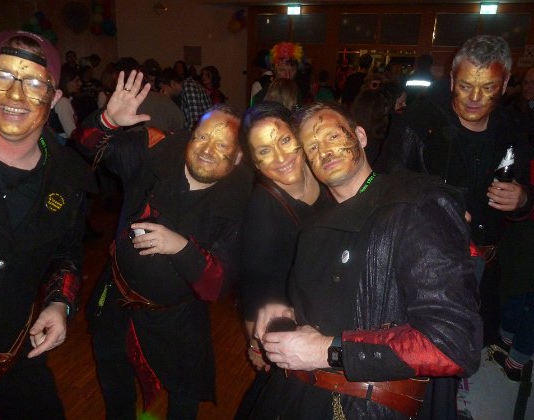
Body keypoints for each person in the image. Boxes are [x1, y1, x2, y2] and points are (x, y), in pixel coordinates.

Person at [249, 101, 482, 419]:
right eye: (312, 147)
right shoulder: (314, 226)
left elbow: (452, 343)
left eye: (332, 136)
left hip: (365, 406)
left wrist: (327, 350)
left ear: (360, 136)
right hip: (295, 395)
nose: (324, 151)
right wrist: (286, 312)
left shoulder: (415, 205)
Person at [74, 70, 252, 419]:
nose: (207, 150)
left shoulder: (242, 202)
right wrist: (109, 121)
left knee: (183, 391)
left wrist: (181, 248)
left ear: (237, 158)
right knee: (113, 377)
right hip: (116, 297)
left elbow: (217, 285)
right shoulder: (154, 147)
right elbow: (84, 145)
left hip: (177, 319)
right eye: (202, 137)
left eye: (222, 145)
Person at [378, 35, 534, 346]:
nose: (474, 97)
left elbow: (525, 190)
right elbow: (384, 187)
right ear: (452, 80)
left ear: (504, 85)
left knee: (473, 348)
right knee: (427, 352)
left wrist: (523, 199)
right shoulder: (419, 123)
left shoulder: (513, 128)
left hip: (486, 268)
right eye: (465, 85)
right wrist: (436, 207)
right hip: (427, 269)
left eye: (488, 87)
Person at [0, 30, 94, 418]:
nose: (15, 96)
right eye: (3, 76)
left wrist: (60, 302)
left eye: (35, 84)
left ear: (55, 97)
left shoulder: (69, 175)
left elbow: (67, 252)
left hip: (9, 361)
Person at [234, 101, 333, 418]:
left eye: (285, 140)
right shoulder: (262, 210)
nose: (280, 158)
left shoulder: (322, 168)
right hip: (294, 316)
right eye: (264, 151)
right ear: (255, 162)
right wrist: (256, 345)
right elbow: (254, 286)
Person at [251, 42, 303, 107]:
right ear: (273, 69)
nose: (288, 76)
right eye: (282, 70)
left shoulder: (297, 91)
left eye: (292, 70)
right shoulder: (261, 93)